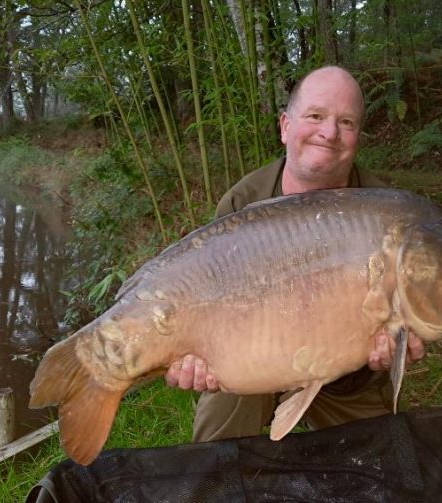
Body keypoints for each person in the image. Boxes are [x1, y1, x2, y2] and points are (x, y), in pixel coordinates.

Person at [166, 66, 426, 442]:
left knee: (379, 465)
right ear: (285, 126)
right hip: (251, 362)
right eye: (316, 116)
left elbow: (408, 310)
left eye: (346, 122)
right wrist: (193, 356)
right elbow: (206, 296)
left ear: (358, 137)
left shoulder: (385, 214)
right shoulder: (242, 202)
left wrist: (395, 345)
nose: (330, 132)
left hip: (344, 375)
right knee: (216, 458)